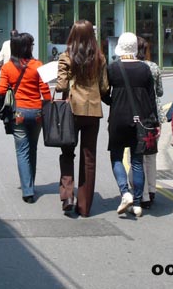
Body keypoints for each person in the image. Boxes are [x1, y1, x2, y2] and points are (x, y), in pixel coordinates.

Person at [55, 20, 109, 217]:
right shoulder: (100, 58)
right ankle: (85, 207)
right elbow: (104, 88)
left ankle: (68, 196)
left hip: (71, 111)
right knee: (89, 158)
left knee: (67, 152)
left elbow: (61, 86)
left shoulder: (66, 56)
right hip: (93, 111)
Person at [103, 32, 156, 218]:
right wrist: (153, 122)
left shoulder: (113, 68)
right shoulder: (144, 69)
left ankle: (125, 192)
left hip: (118, 119)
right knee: (136, 161)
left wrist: (113, 101)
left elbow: (103, 92)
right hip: (140, 120)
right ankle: (138, 202)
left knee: (116, 156)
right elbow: (151, 98)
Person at [0, 32, 51, 204]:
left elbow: (0, 91)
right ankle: (31, 184)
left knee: (22, 151)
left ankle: (27, 191)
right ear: (28, 47)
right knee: (33, 149)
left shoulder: (7, 67)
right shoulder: (38, 65)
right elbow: (46, 92)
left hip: (18, 113)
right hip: (36, 112)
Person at [136, 36, 162, 209]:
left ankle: (143, 194)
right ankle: (152, 190)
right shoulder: (154, 67)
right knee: (151, 154)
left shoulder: (132, 67)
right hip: (155, 115)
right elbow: (159, 92)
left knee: (138, 155)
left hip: (139, 114)